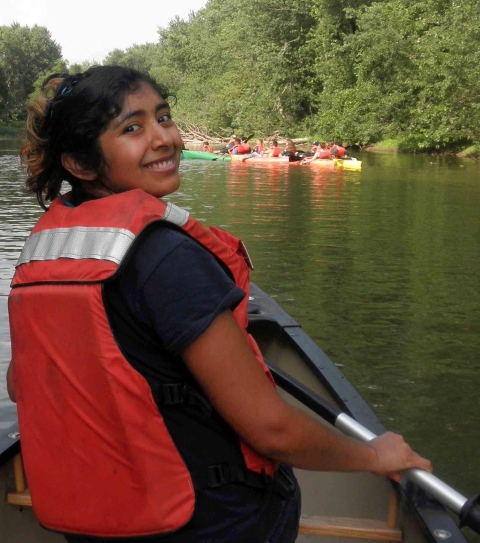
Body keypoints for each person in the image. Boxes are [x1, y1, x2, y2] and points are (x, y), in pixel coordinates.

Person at [6, 66, 432, 543]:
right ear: (80, 166)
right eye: (132, 128)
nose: (163, 138)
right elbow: (272, 430)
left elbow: (21, 386)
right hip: (214, 524)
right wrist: (375, 456)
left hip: (91, 522)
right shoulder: (167, 257)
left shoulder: (42, 255)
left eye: (163, 117)